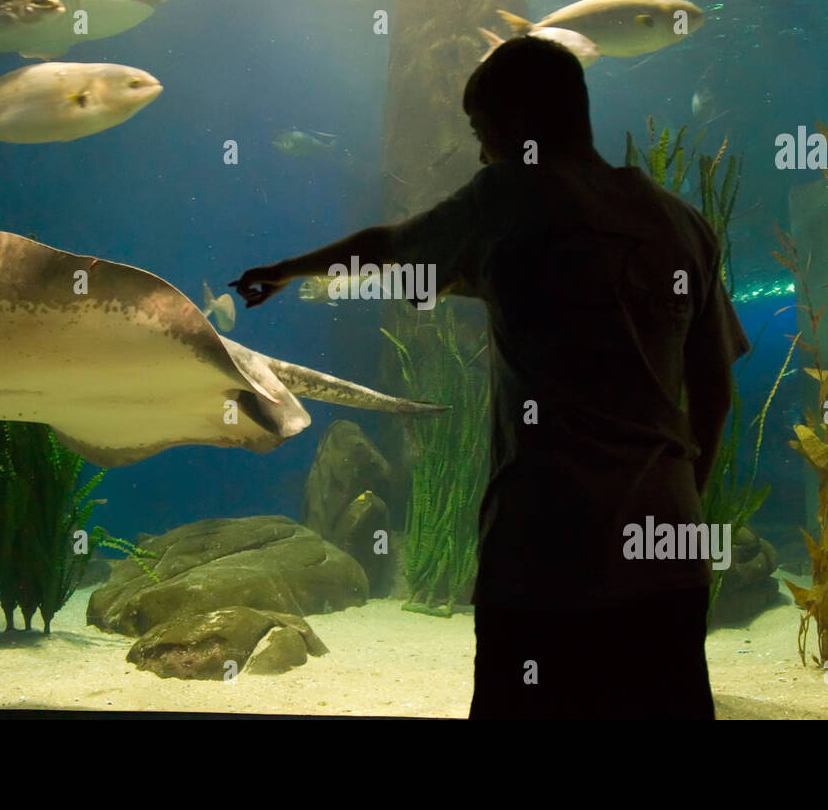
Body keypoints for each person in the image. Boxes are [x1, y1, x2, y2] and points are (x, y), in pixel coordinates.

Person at [232, 36, 749, 718]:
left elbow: (392, 247)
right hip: (664, 553)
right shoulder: (683, 224)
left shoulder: (510, 194)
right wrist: (683, 501)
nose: (480, 152)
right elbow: (713, 393)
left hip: (545, 549)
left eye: (481, 131)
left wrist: (286, 269)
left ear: (515, 124)